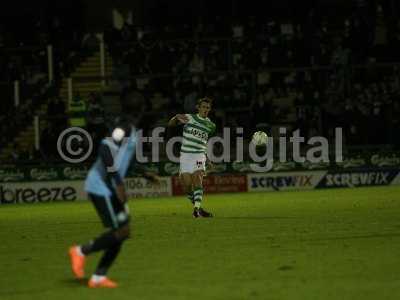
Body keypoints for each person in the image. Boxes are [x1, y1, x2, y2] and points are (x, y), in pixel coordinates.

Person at [68, 118, 159, 288]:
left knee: (123, 232)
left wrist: (145, 174)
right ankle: (80, 251)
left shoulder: (134, 134)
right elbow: (104, 149)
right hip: (100, 187)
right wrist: (118, 182)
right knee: (121, 231)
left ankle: (98, 278)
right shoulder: (123, 127)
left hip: (110, 188)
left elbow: (128, 161)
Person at [168, 97, 216, 218]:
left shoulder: (211, 125)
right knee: (187, 185)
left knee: (197, 178)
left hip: (199, 155)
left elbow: (203, 143)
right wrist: (175, 118)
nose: (206, 109)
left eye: (208, 108)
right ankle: (199, 208)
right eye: (204, 107)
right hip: (185, 155)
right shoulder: (189, 118)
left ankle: (196, 210)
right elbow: (170, 124)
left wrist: (208, 159)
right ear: (198, 108)